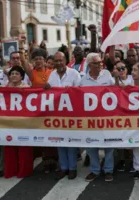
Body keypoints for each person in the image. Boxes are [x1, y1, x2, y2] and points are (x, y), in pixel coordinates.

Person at [80, 53, 115, 182]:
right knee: (91, 145)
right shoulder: (83, 80)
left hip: (106, 117)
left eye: (100, 62)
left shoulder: (107, 74)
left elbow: (115, 90)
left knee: (108, 145)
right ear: (89, 65)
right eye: (96, 63)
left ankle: (108, 170)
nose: (100, 64)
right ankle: (95, 170)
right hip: (90, 118)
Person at [46, 52, 81, 180]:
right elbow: (49, 93)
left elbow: (80, 92)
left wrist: (71, 90)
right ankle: (64, 167)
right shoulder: (52, 74)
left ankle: (72, 168)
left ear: (65, 60)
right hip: (57, 114)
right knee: (60, 141)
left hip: (71, 114)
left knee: (70, 141)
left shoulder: (74, 74)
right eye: (56, 61)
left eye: (61, 60)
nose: (58, 63)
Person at [3, 66, 33, 178]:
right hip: (8, 122)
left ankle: (24, 171)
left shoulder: (27, 88)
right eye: (12, 73)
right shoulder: (4, 87)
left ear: (21, 76)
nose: (14, 75)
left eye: (17, 73)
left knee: (23, 146)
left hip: (23, 121)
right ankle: (11, 170)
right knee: (9, 145)